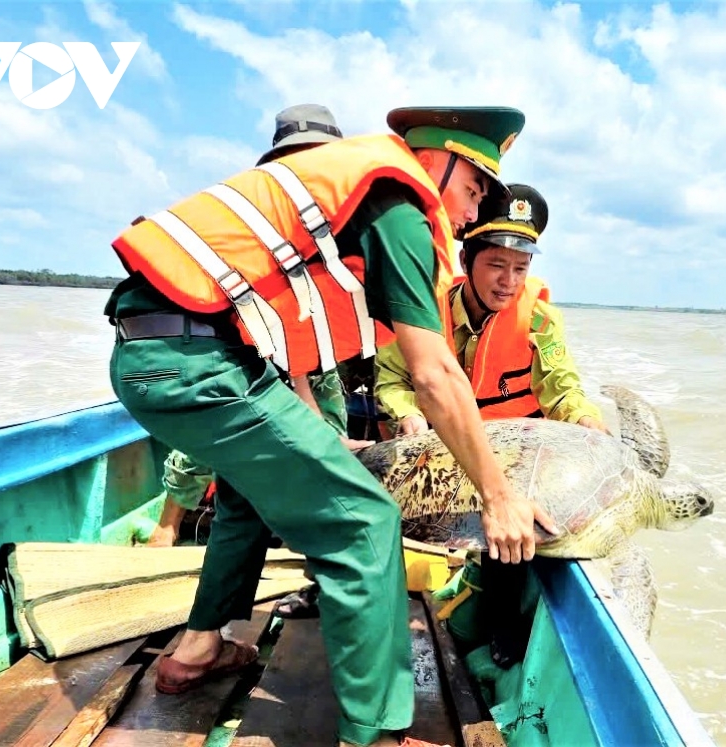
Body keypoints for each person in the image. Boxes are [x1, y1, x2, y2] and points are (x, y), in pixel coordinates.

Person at [105, 105, 558, 747]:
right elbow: (433, 375)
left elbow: (277, 344)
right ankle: (375, 732)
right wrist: (499, 495)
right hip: (199, 367)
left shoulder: (351, 202)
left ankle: (201, 647)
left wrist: (318, 436)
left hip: (161, 356)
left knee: (244, 493)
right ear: (439, 162)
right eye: (472, 189)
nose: (469, 214)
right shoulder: (397, 201)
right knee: (365, 519)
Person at [374, 184, 607, 668]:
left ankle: (503, 618)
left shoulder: (540, 320)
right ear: (467, 260)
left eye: (520, 269)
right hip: (437, 448)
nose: (508, 281)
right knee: (373, 503)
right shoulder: (423, 313)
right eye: (496, 265)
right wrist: (408, 415)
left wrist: (587, 422)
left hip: (514, 456)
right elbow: (393, 379)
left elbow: (562, 389)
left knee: (521, 518)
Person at [146, 104, 353, 551]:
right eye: (296, 164)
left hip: (320, 357)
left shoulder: (344, 227)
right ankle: (167, 530)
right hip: (247, 353)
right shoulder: (250, 230)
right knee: (220, 423)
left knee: (332, 437)